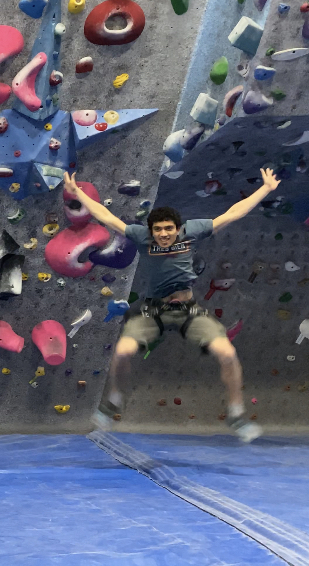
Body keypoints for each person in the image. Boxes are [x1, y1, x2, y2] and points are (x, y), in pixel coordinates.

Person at [65, 169, 281, 443]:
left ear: (178, 229)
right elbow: (106, 216)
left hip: (188, 310)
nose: (164, 234)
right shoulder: (141, 237)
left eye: (169, 229)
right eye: (158, 230)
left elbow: (232, 214)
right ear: (151, 231)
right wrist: (78, 193)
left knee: (227, 354)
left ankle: (236, 413)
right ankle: (114, 400)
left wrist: (265, 189)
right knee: (123, 352)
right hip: (152, 310)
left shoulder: (192, 233)